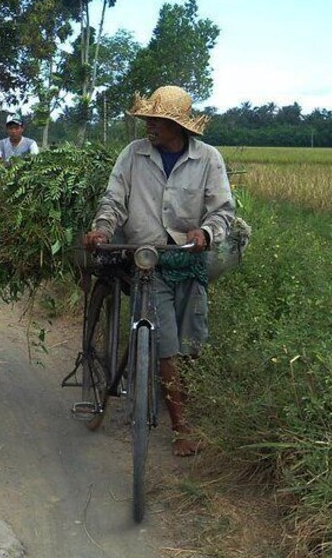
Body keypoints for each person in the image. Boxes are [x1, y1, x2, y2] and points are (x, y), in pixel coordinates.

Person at [83, 85, 235, 457]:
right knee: (166, 344)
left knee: (193, 342)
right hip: (147, 258)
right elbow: (114, 199)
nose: (150, 125)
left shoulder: (208, 159)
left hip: (188, 260)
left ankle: (182, 405)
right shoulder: (133, 155)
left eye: (159, 120)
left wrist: (206, 232)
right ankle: (181, 427)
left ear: (178, 125)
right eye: (149, 118)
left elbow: (223, 211)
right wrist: (103, 227)